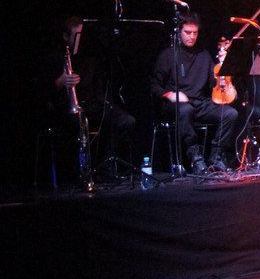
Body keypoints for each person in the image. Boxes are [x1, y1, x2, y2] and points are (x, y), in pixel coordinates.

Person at [45, 16, 136, 179]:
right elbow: (41, 91)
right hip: (65, 109)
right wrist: (60, 82)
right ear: (66, 37)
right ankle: (77, 172)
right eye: (77, 36)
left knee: (126, 120)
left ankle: (104, 166)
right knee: (79, 125)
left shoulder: (91, 59)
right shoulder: (55, 58)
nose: (81, 40)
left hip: (93, 105)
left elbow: (100, 87)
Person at [151, 12, 237, 174]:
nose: (191, 36)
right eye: (187, 32)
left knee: (230, 114)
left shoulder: (203, 55)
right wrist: (170, 95)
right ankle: (195, 156)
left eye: (195, 33)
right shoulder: (168, 54)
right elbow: (155, 86)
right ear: (179, 32)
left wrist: (222, 66)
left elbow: (213, 84)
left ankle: (216, 156)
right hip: (176, 105)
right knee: (186, 109)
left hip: (200, 103)